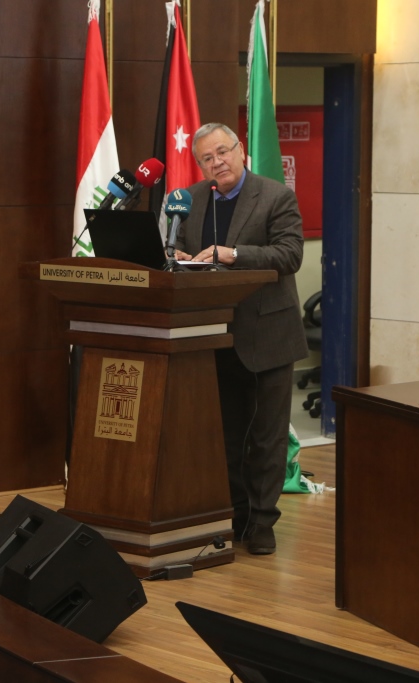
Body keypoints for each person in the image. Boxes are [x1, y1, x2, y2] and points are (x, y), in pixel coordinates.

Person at [174, 122, 307, 555]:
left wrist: (232, 254)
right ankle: (235, 515)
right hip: (213, 335)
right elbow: (174, 247)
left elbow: (290, 254)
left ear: (240, 149)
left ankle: (263, 521)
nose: (217, 163)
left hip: (268, 334)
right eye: (207, 159)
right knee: (227, 437)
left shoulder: (275, 196)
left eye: (223, 152)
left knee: (267, 437)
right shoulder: (190, 200)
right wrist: (175, 257)